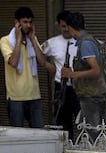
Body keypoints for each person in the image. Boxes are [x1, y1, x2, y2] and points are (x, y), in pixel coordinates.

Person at [0, 7, 49, 128]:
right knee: (17, 135)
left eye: (30, 22)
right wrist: (18, 40)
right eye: (25, 22)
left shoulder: (32, 39)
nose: (28, 25)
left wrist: (32, 39)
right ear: (17, 23)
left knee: (39, 132)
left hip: (34, 95)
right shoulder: (5, 40)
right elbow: (13, 62)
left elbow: (42, 62)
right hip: (16, 97)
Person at [61, 12, 106, 127]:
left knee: (92, 132)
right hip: (91, 95)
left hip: (92, 97)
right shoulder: (87, 41)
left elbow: (95, 70)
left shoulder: (86, 43)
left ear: (70, 27)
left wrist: (72, 74)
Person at [41, 10, 80, 141]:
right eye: (63, 26)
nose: (66, 29)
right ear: (58, 25)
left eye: (68, 26)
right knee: (63, 122)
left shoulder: (83, 40)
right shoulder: (52, 42)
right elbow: (39, 54)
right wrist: (49, 67)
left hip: (80, 88)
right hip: (62, 88)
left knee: (82, 123)